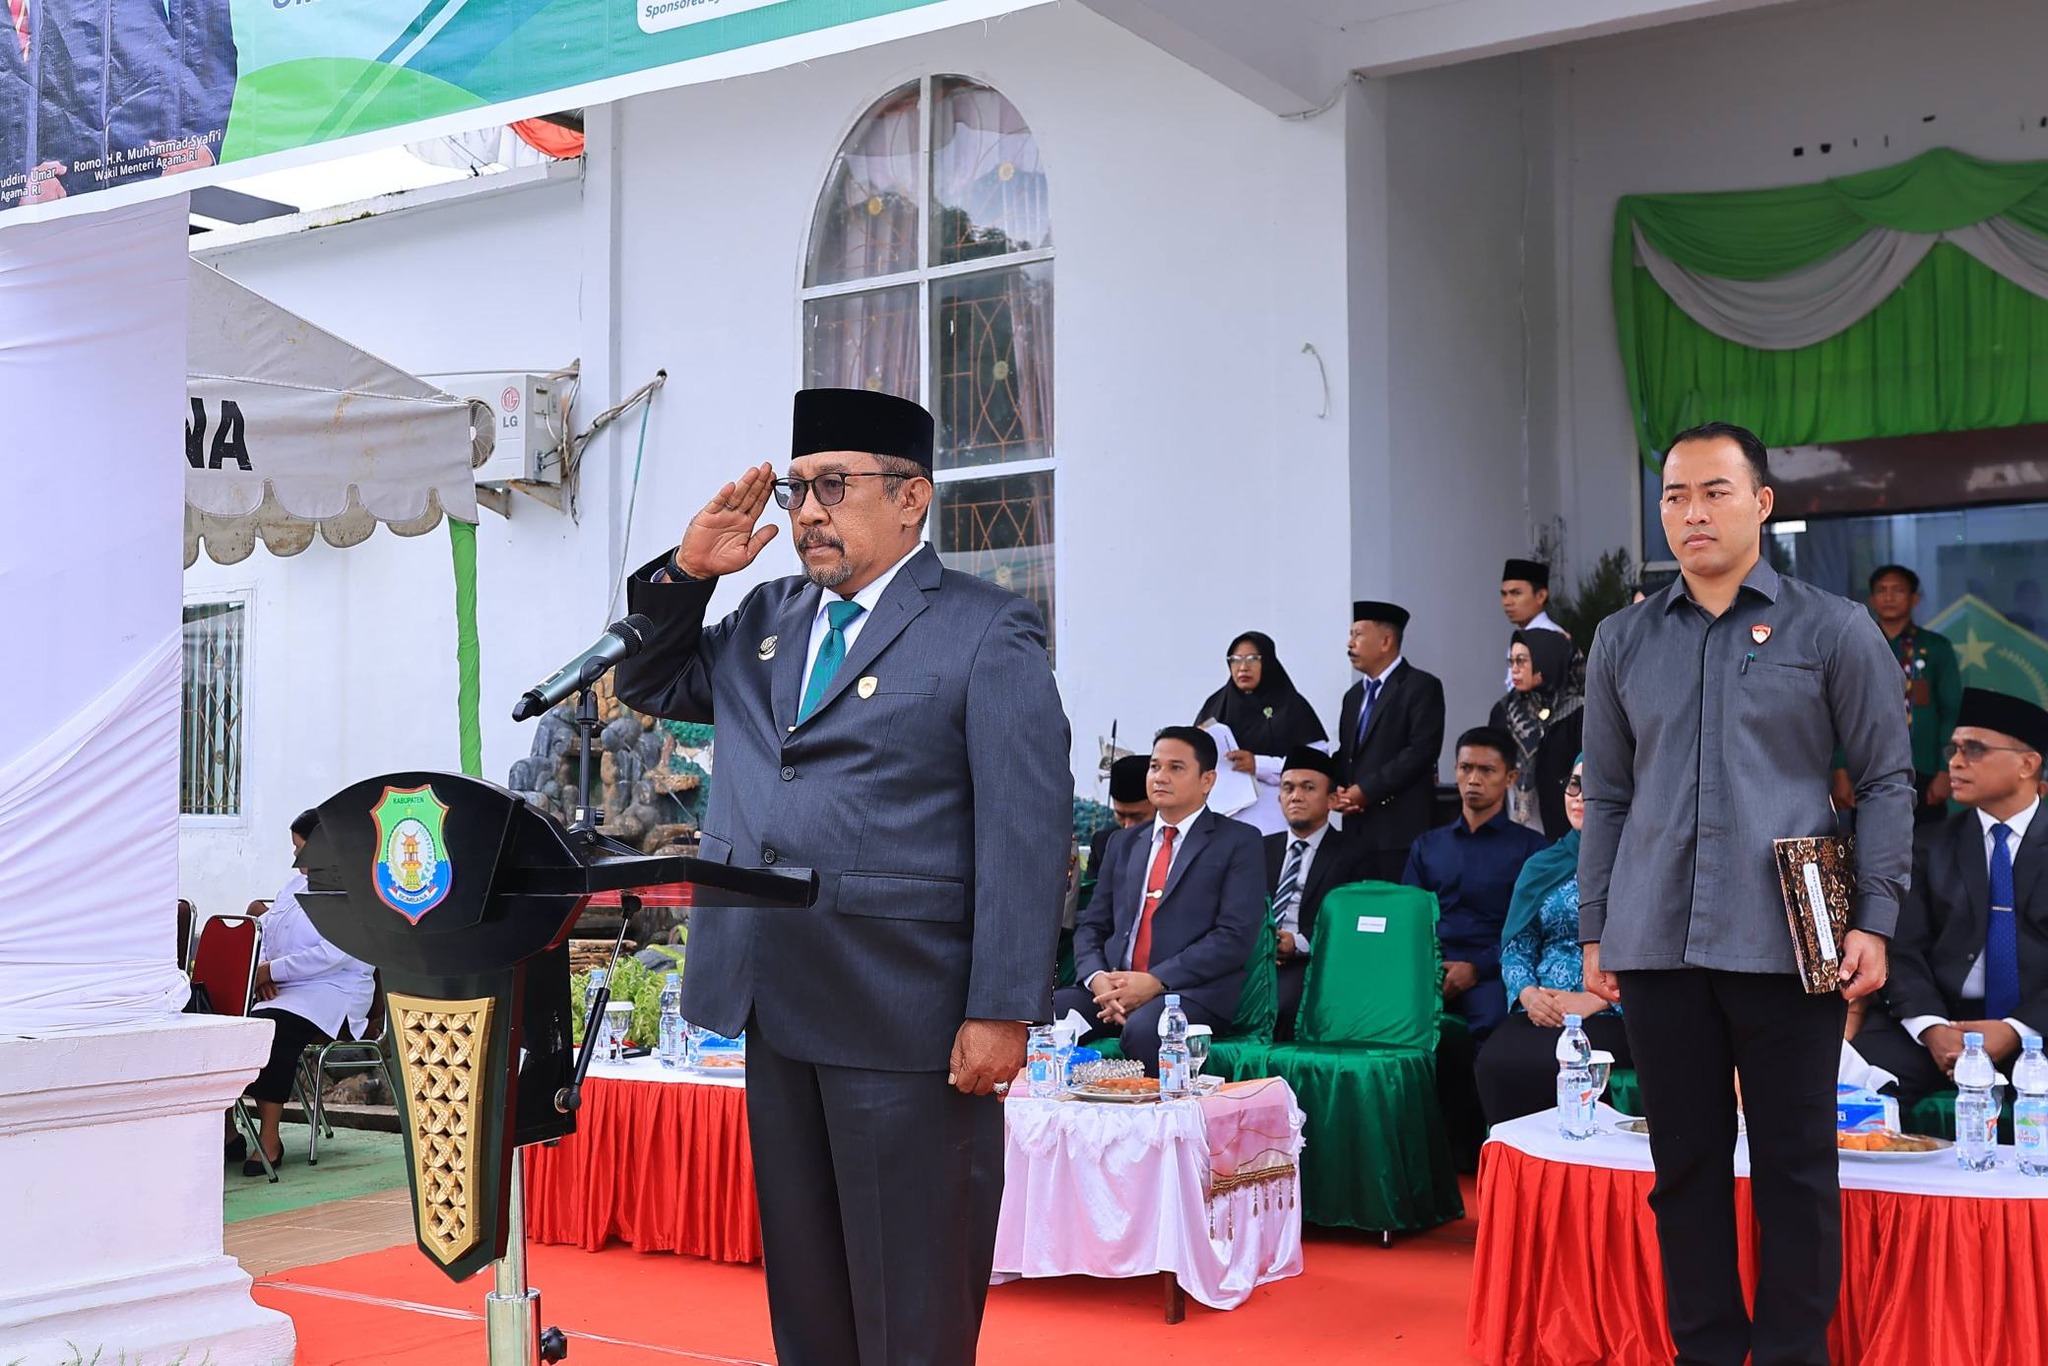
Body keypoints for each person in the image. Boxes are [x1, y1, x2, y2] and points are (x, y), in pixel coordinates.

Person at [612, 387, 1072, 1366]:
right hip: (777, 999)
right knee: (810, 1300)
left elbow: (1024, 833)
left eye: (833, 487)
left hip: (903, 1012)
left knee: (911, 1300)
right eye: (796, 490)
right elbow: (651, 683)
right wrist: (687, 572)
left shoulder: (987, 631)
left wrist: (1002, 1007)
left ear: (910, 500)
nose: (805, 512)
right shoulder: (767, 616)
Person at [1579, 420, 1910, 1366]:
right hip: (1657, 942)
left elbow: (1886, 780)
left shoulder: (1832, 628)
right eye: (1675, 495)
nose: (1693, 513)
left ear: (1762, 503)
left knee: (1795, 1167)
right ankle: (1709, 1352)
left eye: (1715, 492)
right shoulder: (1622, 639)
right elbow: (1605, 793)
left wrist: (1875, 920)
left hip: (1790, 940)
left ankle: (1794, 1353)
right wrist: (1598, 928)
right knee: (1683, 1166)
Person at [1853, 688, 2048, 1106]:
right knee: (1850, 1086)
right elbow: (1901, 950)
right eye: (1954, 749)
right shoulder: (1927, 845)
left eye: (1974, 749)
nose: (1955, 762)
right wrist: (1933, 1029)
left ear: (2027, 765)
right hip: (1938, 1026)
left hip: (2038, 1033)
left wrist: (2016, 1029)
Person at [1056, 727, 1265, 1073]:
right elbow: (1092, 924)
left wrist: (1156, 981)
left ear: (1207, 780)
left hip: (1187, 992)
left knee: (1145, 1031)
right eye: (1155, 767)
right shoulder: (1123, 844)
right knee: (1043, 1017)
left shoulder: (1238, 842)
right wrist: (1097, 977)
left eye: (1176, 768)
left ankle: (1161, 1126)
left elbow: (1233, 936)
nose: (1160, 777)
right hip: (1112, 990)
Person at [1474, 758, 1632, 1124]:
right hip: (1543, 1008)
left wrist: (1596, 1000)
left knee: (1572, 1065)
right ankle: (1524, 1177)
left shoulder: (1636, 866)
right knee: (1497, 1062)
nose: (1579, 797)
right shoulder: (1542, 865)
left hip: (1612, 1010)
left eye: (1593, 789)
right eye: (1573, 785)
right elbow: (1517, 946)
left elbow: (1650, 949)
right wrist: (1528, 995)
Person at [231, 809, 375, 1178]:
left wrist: (271, 971)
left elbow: (332, 954)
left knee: (269, 1029)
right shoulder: (294, 887)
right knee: (224, 1023)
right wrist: (260, 970)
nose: (295, 859)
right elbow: (266, 927)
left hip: (332, 991)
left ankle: (269, 1138)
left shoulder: (353, 892)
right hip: (283, 988)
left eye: (301, 849)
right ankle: (228, 1131)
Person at [1402, 727, 1551, 1041]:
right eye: (1465, 768)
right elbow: (1410, 921)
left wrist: (1477, 968)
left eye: (1486, 770)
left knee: (1494, 1028)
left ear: (1510, 777)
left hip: (1494, 973)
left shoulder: (1532, 850)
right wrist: (1432, 966)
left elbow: (1531, 928)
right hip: (1428, 971)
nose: (1473, 779)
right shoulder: (1427, 846)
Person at [1831, 564, 1962, 825]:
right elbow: (1841, 711)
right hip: (1867, 768)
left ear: (1914, 598)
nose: (1889, 597)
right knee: (1870, 851)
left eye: (1898, 590)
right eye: (1881, 590)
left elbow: (1952, 712)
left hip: (1923, 766)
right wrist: (1840, 769)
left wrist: (1945, 769)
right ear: (1871, 599)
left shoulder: (1935, 647)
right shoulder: (1855, 645)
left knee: (1929, 853)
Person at [1333, 601, 1446, 882]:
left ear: (1385, 641)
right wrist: (1336, 788)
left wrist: (1366, 791)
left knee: (1393, 912)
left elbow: (1421, 752)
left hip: (1399, 830)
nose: (1350, 643)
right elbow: (1348, 754)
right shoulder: (1353, 697)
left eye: (1358, 634)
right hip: (1356, 828)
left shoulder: (1421, 687)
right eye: (1350, 634)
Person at [1265, 746, 1373, 1040]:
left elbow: (1354, 923)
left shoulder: (1355, 854)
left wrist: (1299, 943)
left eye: (1307, 788)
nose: (1295, 796)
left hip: (1312, 962)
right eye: (1287, 788)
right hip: (1257, 960)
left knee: (1281, 1005)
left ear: (1332, 799)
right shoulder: (1259, 849)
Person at [1194, 630, 1328, 836]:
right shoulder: (1216, 705)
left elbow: (1318, 763)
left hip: (1272, 820)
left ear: (1268, 662)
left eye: (1252, 659)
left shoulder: (1291, 706)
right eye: (1235, 660)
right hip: (1222, 820)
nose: (1243, 667)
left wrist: (1259, 765)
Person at [1490, 627, 1584, 837]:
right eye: (1511, 661)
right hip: (1512, 819)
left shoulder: (1577, 713)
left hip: (1559, 824)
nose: (1514, 669)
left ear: (1546, 660)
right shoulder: (1504, 711)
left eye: (1521, 661)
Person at [1087, 754, 1154, 882]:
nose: (1128, 825)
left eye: (1138, 817)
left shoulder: (1181, 844)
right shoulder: (1103, 844)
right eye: (1121, 815)